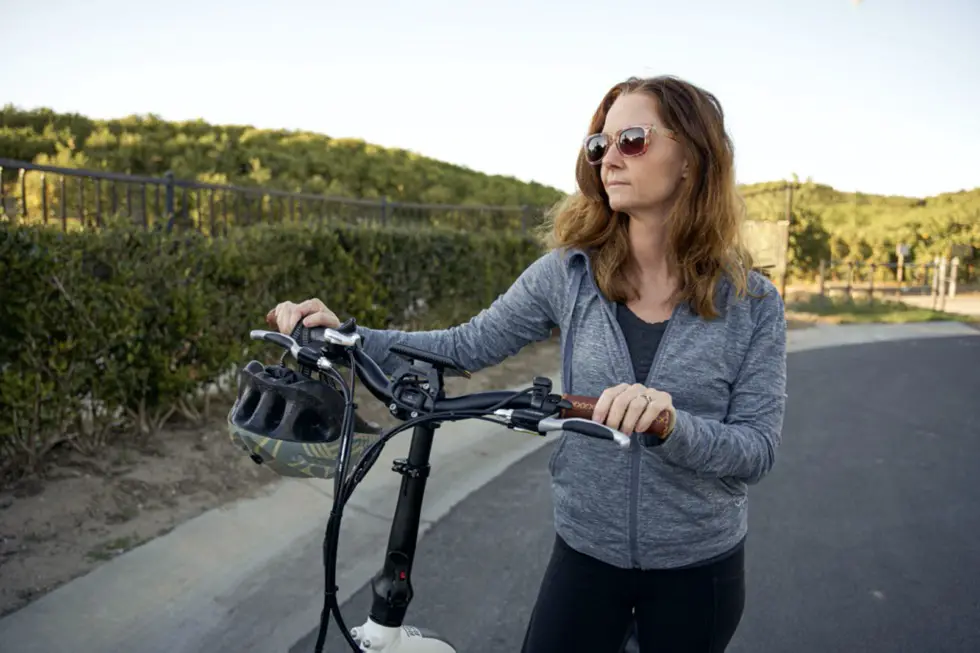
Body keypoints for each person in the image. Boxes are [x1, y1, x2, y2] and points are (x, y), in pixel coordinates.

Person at [267, 75, 787, 653]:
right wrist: (349, 336)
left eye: (632, 140)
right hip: (586, 553)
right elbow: (464, 346)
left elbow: (756, 452)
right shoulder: (568, 274)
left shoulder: (754, 304)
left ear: (691, 157)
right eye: (599, 144)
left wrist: (670, 425)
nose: (608, 158)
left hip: (698, 568)